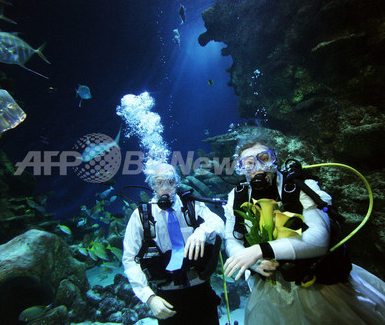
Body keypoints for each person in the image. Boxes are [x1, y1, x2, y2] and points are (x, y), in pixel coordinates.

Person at [223, 135, 385, 324]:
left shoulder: (301, 187)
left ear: (276, 160)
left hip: (318, 284)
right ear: (240, 168)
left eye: (264, 159)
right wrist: (254, 264)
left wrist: (260, 250)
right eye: (248, 163)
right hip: (272, 288)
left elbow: (319, 239)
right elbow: (232, 238)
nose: (257, 168)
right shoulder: (237, 196)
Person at [123, 161, 224, 324]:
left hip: (202, 292)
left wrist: (202, 231)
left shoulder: (192, 204)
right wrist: (149, 298)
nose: (165, 188)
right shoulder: (141, 216)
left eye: (170, 181)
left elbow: (218, 223)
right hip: (165, 299)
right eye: (159, 182)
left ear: (177, 183)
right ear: (152, 185)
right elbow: (129, 258)